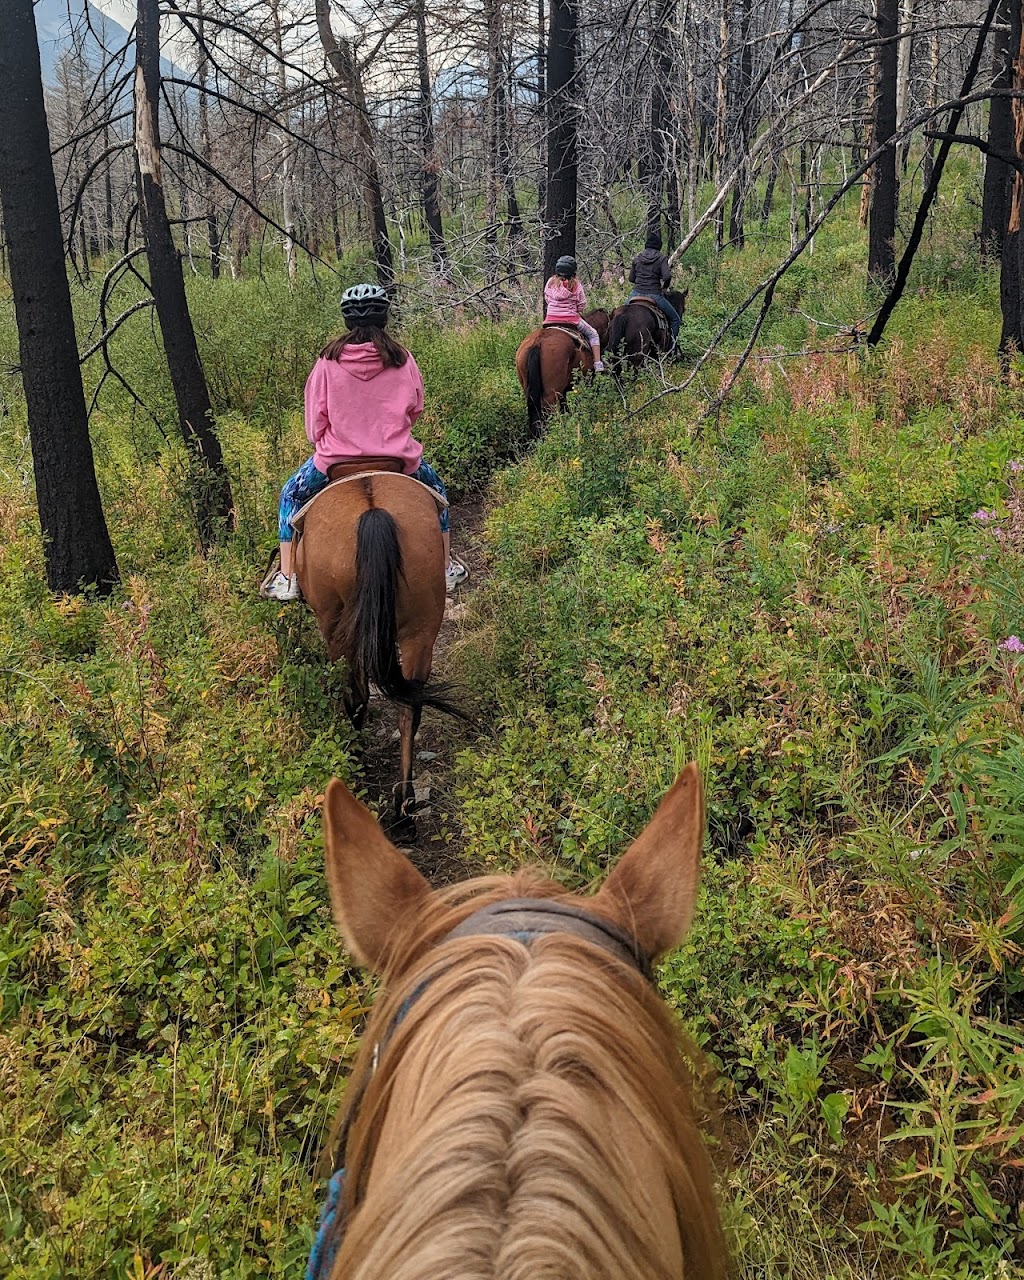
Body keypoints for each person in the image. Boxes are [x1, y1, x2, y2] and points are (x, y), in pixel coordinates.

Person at [262, 283, 468, 603]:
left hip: (336, 462)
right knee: (437, 491)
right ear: (384, 317)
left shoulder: (327, 361)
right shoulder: (402, 358)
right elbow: (415, 407)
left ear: (347, 320)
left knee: (290, 495)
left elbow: (315, 422)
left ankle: (288, 576)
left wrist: (328, 441)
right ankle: (444, 567)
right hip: (396, 460)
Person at [543, 255, 604, 372]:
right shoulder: (576, 284)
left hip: (550, 319)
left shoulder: (550, 282)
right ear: (573, 271)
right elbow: (582, 304)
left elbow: (547, 298)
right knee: (593, 334)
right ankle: (598, 363)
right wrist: (575, 309)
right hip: (571, 320)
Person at [628, 229, 680, 344]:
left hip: (636, 294)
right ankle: (672, 348)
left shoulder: (637, 258)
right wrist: (664, 288)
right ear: (659, 246)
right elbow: (667, 276)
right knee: (675, 319)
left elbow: (631, 278)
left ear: (646, 245)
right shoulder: (661, 258)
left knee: (619, 314)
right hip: (654, 295)